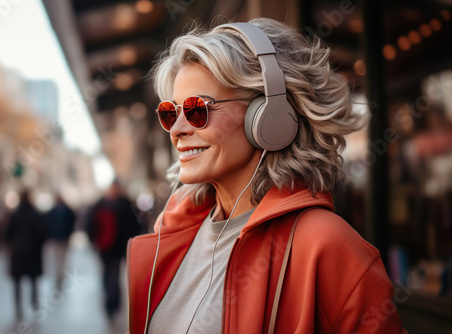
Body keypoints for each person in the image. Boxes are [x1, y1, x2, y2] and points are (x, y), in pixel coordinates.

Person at [127, 18, 408, 333]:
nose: (177, 130)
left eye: (197, 109)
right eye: (170, 112)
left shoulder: (328, 247)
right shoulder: (173, 231)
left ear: (268, 116)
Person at [87, 180, 142, 320]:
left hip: (104, 247)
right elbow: (136, 226)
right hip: (117, 247)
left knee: (107, 274)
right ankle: (113, 302)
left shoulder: (100, 204)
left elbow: (89, 224)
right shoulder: (125, 204)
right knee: (113, 274)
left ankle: (110, 302)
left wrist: (93, 240)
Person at [5, 191, 46, 318]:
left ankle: (18, 306)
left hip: (18, 252)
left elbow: (7, 234)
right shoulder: (35, 214)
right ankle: (34, 303)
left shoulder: (15, 215)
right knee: (33, 279)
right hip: (32, 251)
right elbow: (43, 233)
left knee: (17, 281)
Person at [45, 194, 76, 289]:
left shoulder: (64, 211)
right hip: (58, 238)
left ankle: (61, 275)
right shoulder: (55, 211)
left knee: (62, 259)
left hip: (63, 238)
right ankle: (59, 275)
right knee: (59, 259)